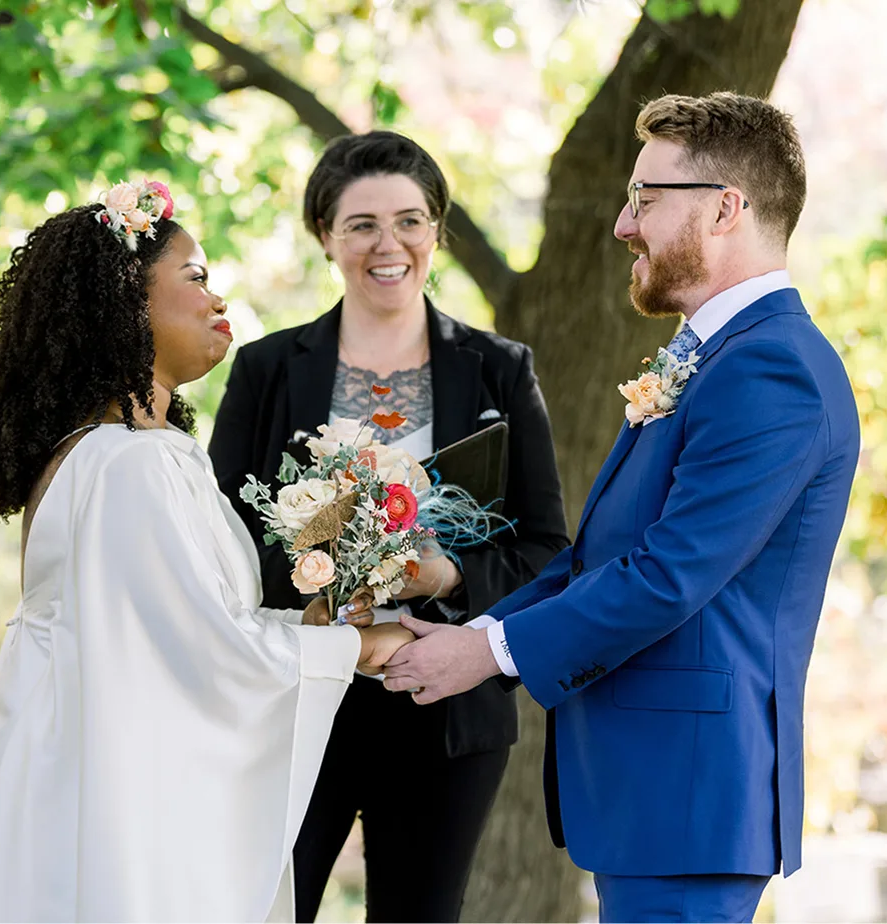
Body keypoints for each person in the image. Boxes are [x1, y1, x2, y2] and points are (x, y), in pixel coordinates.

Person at [382, 92, 861, 923]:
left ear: (725, 209)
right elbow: (597, 557)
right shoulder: (712, 356)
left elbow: (669, 575)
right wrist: (471, 633)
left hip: (688, 795)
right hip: (655, 799)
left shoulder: (771, 369)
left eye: (645, 198)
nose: (622, 225)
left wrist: (488, 653)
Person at [0, 180, 412, 923]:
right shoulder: (126, 464)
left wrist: (309, 625)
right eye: (194, 277)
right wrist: (354, 648)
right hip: (92, 799)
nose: (217, 298)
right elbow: (203, 652)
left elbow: (183, 626)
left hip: (83, 766)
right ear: (123, 302)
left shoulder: (135, 451)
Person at [208, 131, 568, 923]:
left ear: (436, 229)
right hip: (294, 698)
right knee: (262, 910)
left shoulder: (500, 370)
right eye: (361, 224)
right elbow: (219, 544)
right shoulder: (267, 370)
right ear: (325, 235)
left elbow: (547, 551)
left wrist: (447, 575)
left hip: (444, 706)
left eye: (409, 220)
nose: (388, 244)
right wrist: (317, 562)